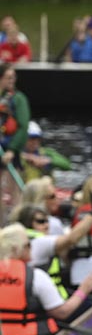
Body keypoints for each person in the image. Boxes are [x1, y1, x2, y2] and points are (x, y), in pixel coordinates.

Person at [0, 223, 92, 335]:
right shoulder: (36, 276)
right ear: (15, 249)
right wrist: (83, 290)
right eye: (28, 245)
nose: (32, 247)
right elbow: (62, 313)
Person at [14, 203, 92, 298]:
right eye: (41, 221)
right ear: (27, 223)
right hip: (46, 300)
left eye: (47, 221)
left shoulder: (20, 238)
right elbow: (72, 239)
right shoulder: (40, 241)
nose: (46, 225)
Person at [0, 62, 28, 218]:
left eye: (13, 77)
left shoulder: (18, 99)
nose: (11, 80)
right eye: (8, 77)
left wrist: (12, 149)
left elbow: (23, 127)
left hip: (11, 150)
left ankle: (18, 221)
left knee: (14, 189)